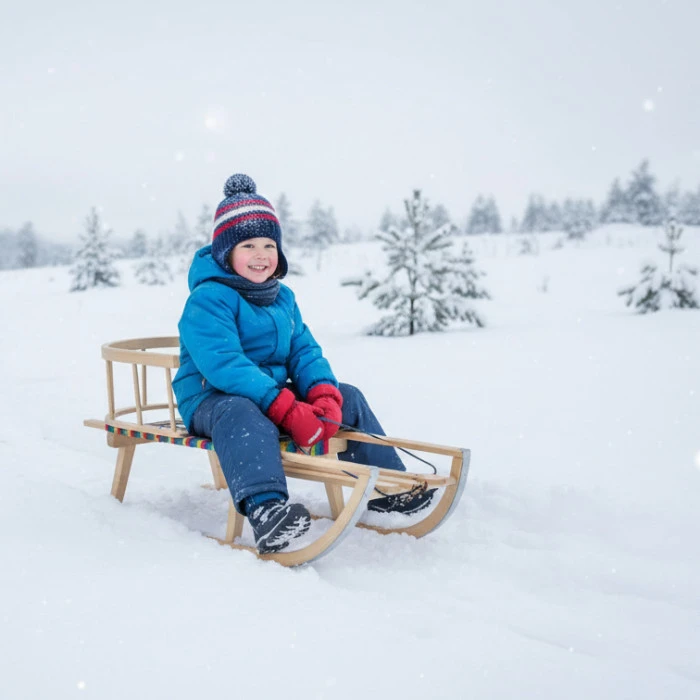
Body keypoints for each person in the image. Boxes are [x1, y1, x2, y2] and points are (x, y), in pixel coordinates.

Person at [173, 173, 433, 554]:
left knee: (349, 396)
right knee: (242, 413)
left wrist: (323, 394)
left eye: (269, 245)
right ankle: (266, 510)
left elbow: (304, 350)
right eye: (248, 245)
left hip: (271, 395)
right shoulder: (207, 300)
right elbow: (225, 365)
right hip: (212, 399)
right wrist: (284, 406)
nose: (261, 255)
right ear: (226, 253)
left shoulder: (282, 298)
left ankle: (387, 487)